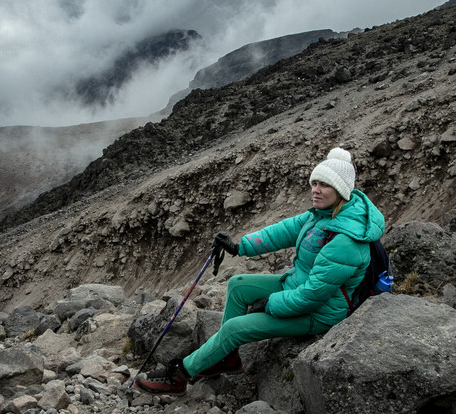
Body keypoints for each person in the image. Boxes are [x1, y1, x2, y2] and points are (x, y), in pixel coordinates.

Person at [134, 147, 385, 396]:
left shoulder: (346, 240)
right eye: (315, 182)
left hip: (319, 313)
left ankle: (179, 376)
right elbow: (283, 231)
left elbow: (312, 296)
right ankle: (227, 358)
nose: (316, 190)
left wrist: (270, 304)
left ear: (341, 190)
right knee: (238, 285)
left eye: (324, 185)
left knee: (235, 330)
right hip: (297, 286)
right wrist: (239, 247)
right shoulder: (323, 215)